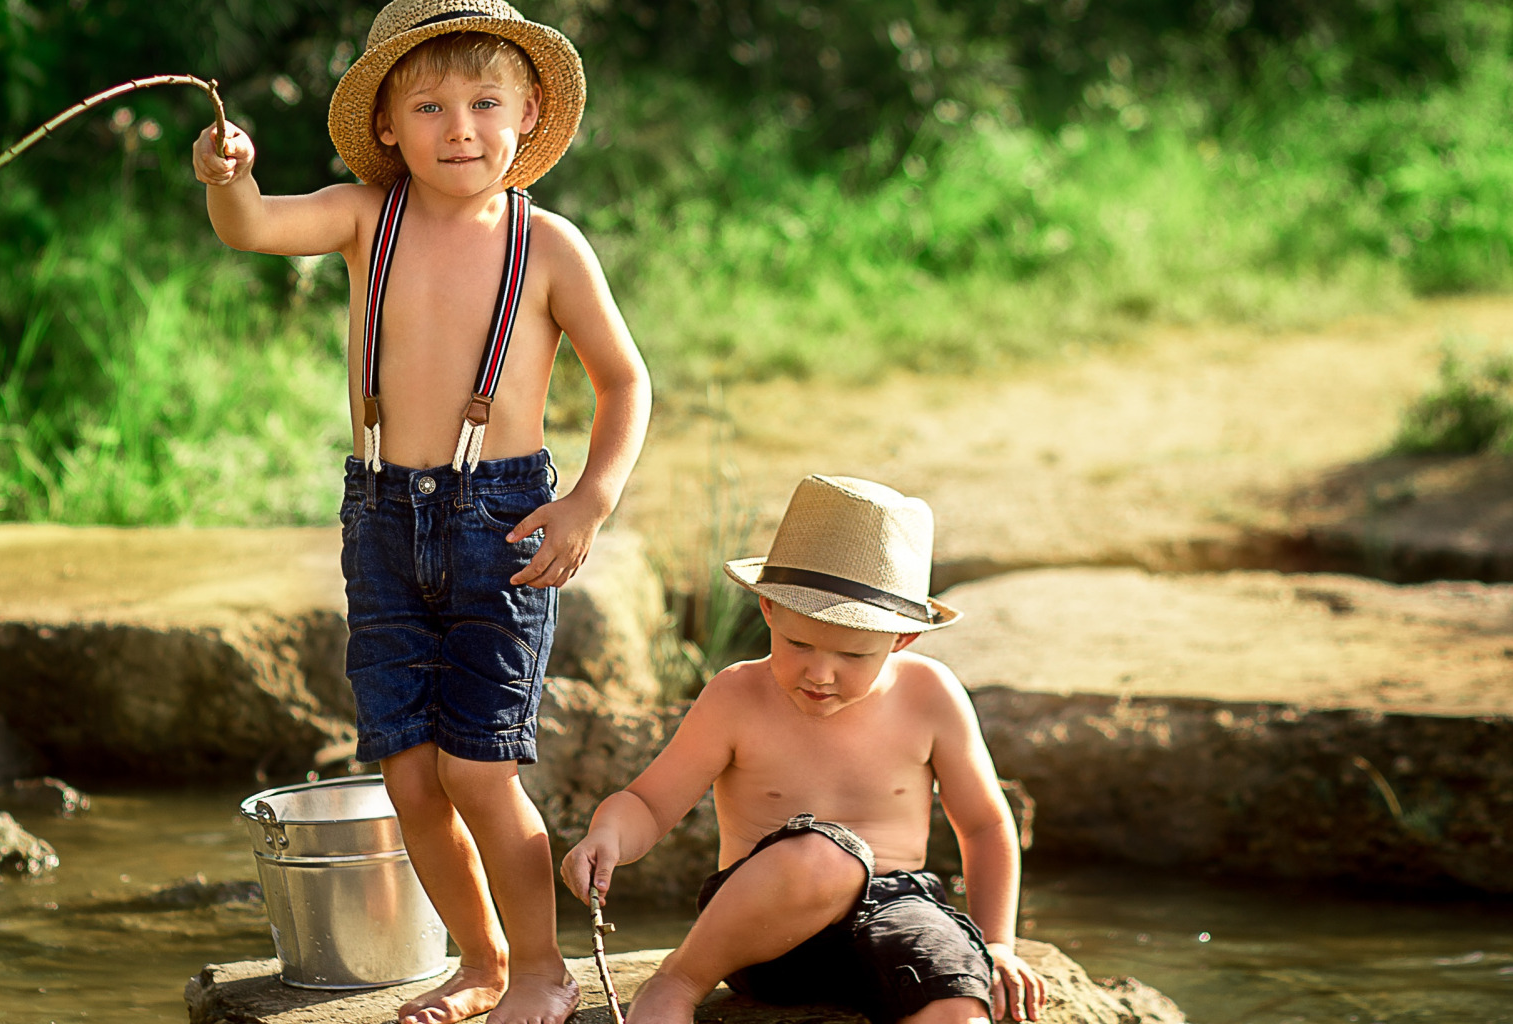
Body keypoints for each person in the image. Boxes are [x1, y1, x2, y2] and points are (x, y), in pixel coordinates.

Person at [191, 3, 649, 1024]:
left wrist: (590, 499)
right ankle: (480, 961)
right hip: (383, 520)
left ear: (527, 113)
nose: (461, 128)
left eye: (486, 103)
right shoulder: (366, 217)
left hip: (504, 521)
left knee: (480, 770)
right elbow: (256, 228)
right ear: (388, 125)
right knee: (408, 773)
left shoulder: (549, 245)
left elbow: (625, 382)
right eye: (431, 105)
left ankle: (540, 968)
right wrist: (228, 179)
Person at [559, 476, 1047, 1024]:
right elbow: (647, 804)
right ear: (768, 610)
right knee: (825, 853)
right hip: (765, 929)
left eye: (853, 655)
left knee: (958, 1007)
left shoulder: (930, 695)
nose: (820, 673)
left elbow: (985, 825)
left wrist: (998, 944)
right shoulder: (737, 696)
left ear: (902, 640)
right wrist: (607, 835)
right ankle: (680, 978)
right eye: (798, 644)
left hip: (897, 911)